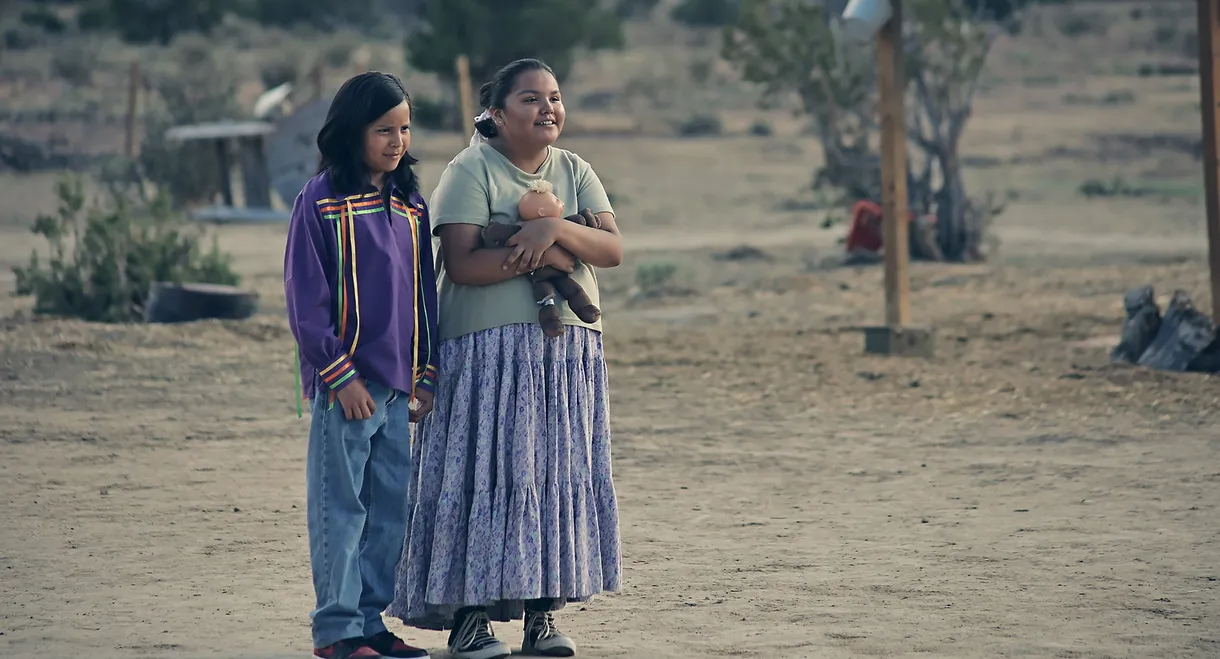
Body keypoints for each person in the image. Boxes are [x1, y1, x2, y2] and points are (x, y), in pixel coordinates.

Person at [387, 58, 623, 659]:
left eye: (555, 97)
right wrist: (546, 248)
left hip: (565, 354)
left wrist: (555, 234)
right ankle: (470, 619)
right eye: (530, 99)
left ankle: (542, 617)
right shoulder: (470, 170)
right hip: (486, 354)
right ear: (495, 113)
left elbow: (612, 248)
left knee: (549, 477)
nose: (548, 109)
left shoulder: (576, 170)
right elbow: (463, 263)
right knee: (484, 474)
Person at [284, 71, 439, 659]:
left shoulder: (410, 206)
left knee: (388, 515)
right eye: (383, 129)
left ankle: (371, 623)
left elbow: (425, 296)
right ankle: (337, 632)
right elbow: (307, 300)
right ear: (352, 132)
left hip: (399, 391)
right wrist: (340, 378)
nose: (397, 140)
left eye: (404, 128)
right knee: (340, 512)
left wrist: (425, 375)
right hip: (347, 390)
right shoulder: (319, 201)